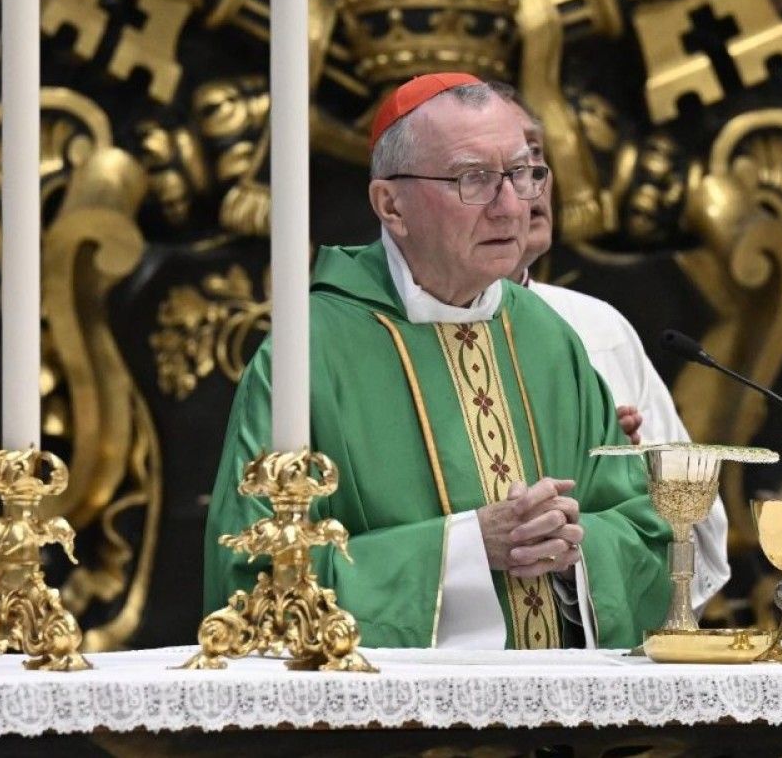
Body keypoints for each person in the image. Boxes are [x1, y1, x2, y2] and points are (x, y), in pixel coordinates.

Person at [205, 73, 669, 649]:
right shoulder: (308, 356)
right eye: (473, 179)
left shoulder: (552, 341)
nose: (509, 208)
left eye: (523, 174)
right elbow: (253, 585)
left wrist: (576, 548)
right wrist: (469, 550)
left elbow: (646, 532)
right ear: (391, 205)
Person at [508, 103, 731, 615]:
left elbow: (698, 531)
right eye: (500, 171)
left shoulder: (597, 327)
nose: (530, 190)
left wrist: (626, 475)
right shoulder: (361, 332)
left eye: (535, 166)